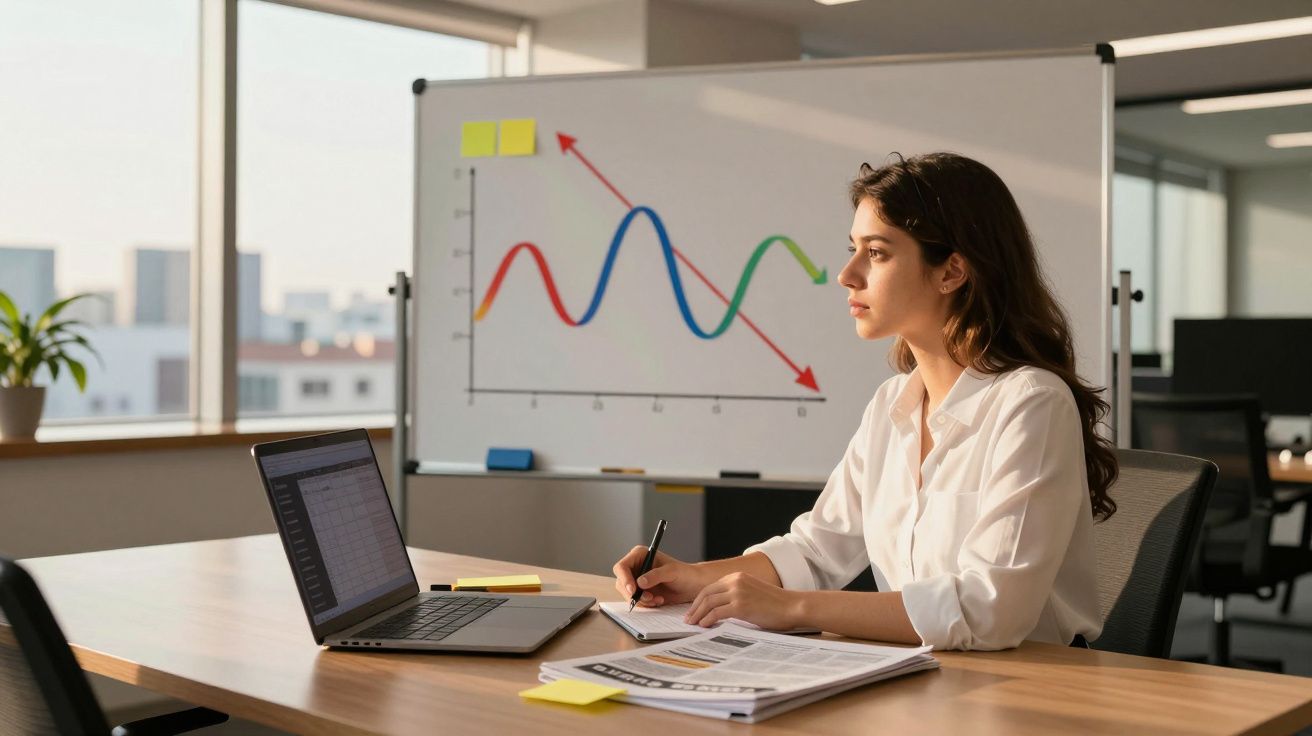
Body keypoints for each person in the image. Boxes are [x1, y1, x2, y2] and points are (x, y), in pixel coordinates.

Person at [612, 152, 1117, 651]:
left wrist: (792, 609)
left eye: (876, 253)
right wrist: (691, 578)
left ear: (952, 271)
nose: (847, 274)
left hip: (1030, 692)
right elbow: (815, 551)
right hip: (927, 678)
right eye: (853, 249)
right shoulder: (892, 404)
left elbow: (990, 609)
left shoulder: (1031, 404)